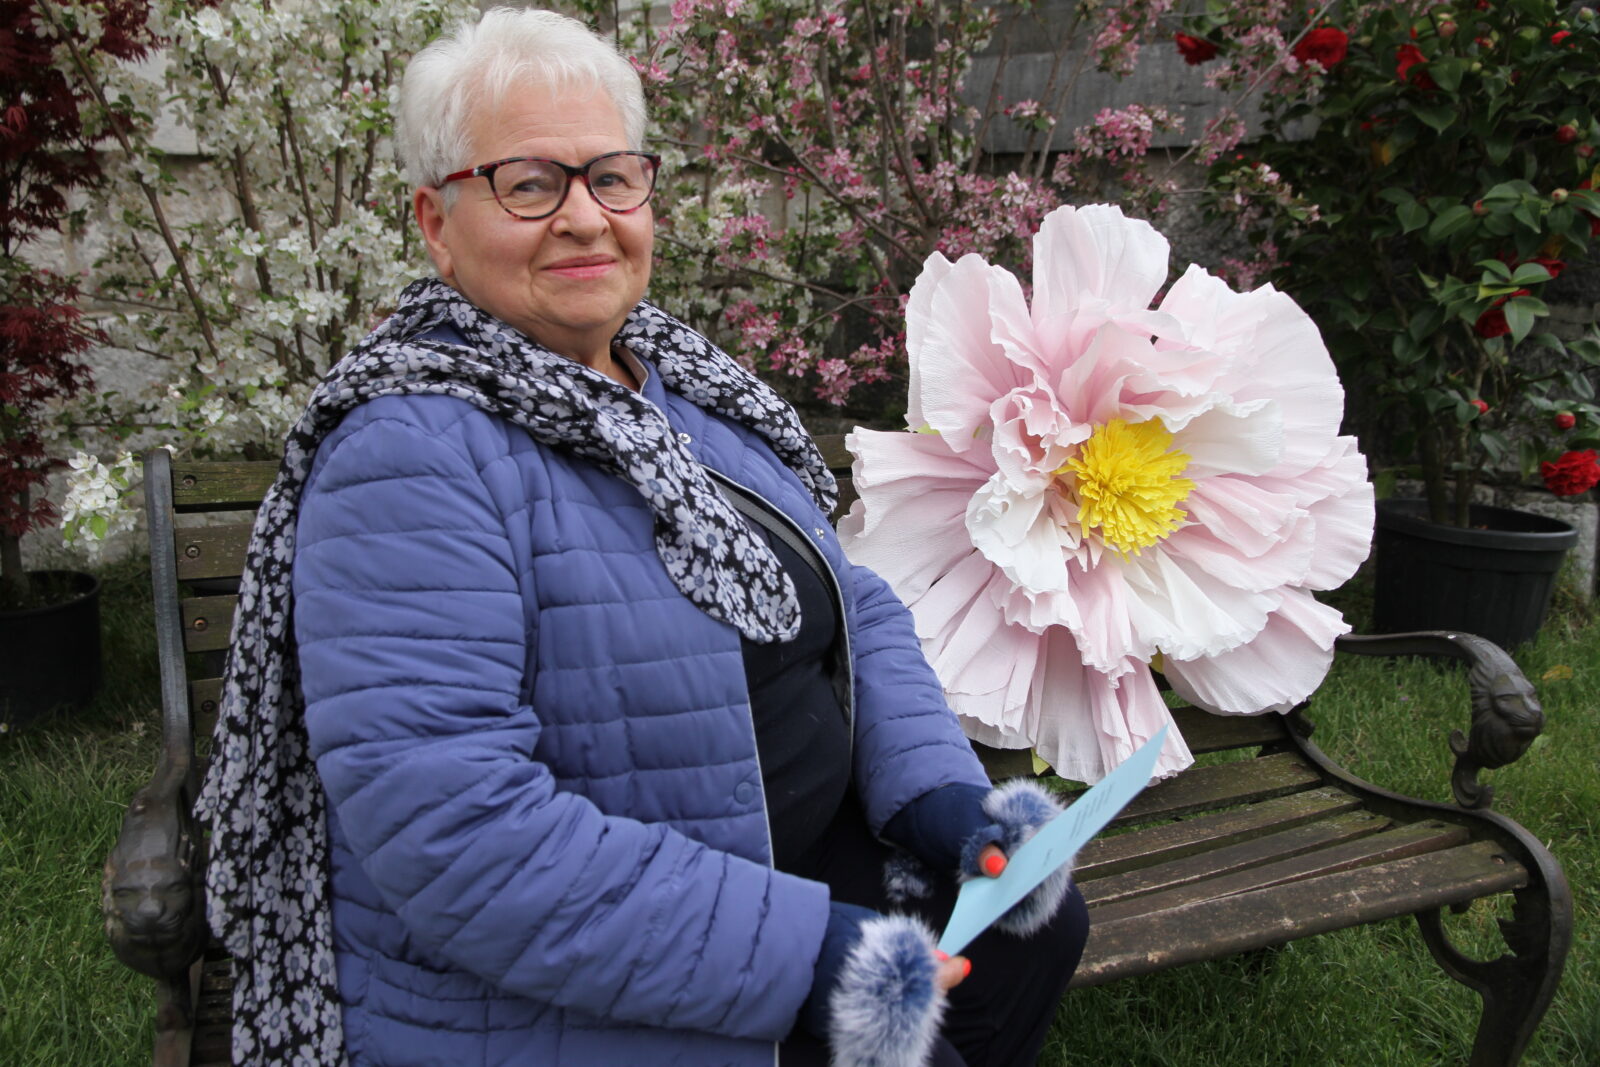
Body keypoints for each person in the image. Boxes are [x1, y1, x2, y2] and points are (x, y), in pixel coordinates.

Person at [197, 8, 1088, 1066]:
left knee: (1036, 932)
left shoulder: (680, 391)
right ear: (437, 222)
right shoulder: (408, 455)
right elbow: (460, 841)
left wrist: (937, 793)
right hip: (589, 981)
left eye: (611, 177)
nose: (584, 217)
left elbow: (849, 603)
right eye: (529, 183)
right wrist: (805, 956)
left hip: (789, 863)